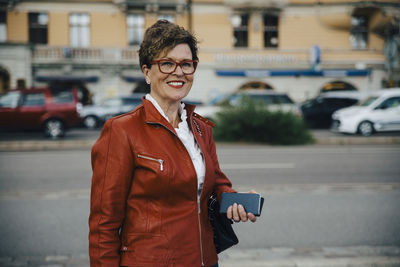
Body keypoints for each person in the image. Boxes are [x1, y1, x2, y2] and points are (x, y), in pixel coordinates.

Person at [88, 20, 257, 267]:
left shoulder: (200, 128)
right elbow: (104, 223)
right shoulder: (121, 130)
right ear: (147, 71)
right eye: (167, 63)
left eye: (186, 64)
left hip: (205, 260)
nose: (178, 72)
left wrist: (233, 199)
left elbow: (217, 184)